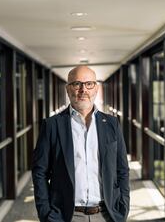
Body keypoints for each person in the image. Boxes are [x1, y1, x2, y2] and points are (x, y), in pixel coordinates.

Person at [32, 66, 130, 222]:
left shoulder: (112, 124)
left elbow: (122, 169)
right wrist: (46, 214)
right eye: (77, 84)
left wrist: (123, 207)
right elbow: (40, 172)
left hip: (107, 214)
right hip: (66, 215)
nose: (83, 89)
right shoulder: (52, 125)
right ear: (67, 89)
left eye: (89, 84)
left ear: (96, 88)